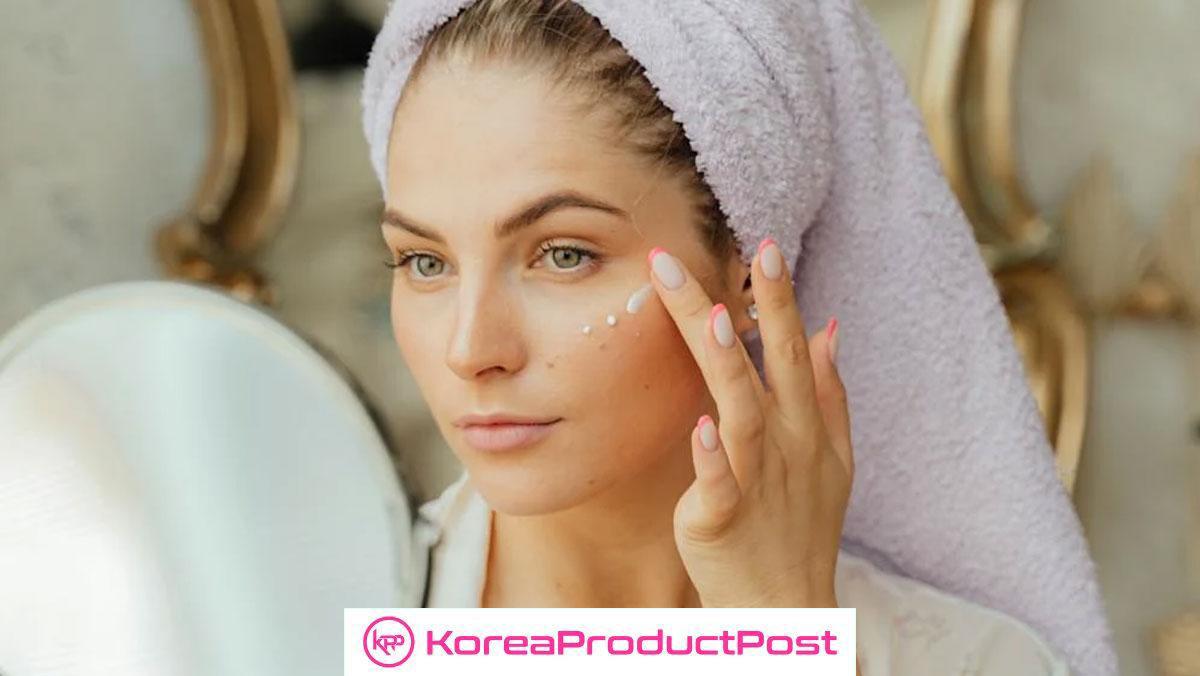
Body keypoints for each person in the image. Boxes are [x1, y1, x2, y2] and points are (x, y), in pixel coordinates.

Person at [360, 0, 1113, 673]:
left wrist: (779, 630)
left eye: (564, 255)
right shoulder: (328, 629)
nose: (470, 350)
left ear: (750, 273)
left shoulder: (975, 663)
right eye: (425, 262)